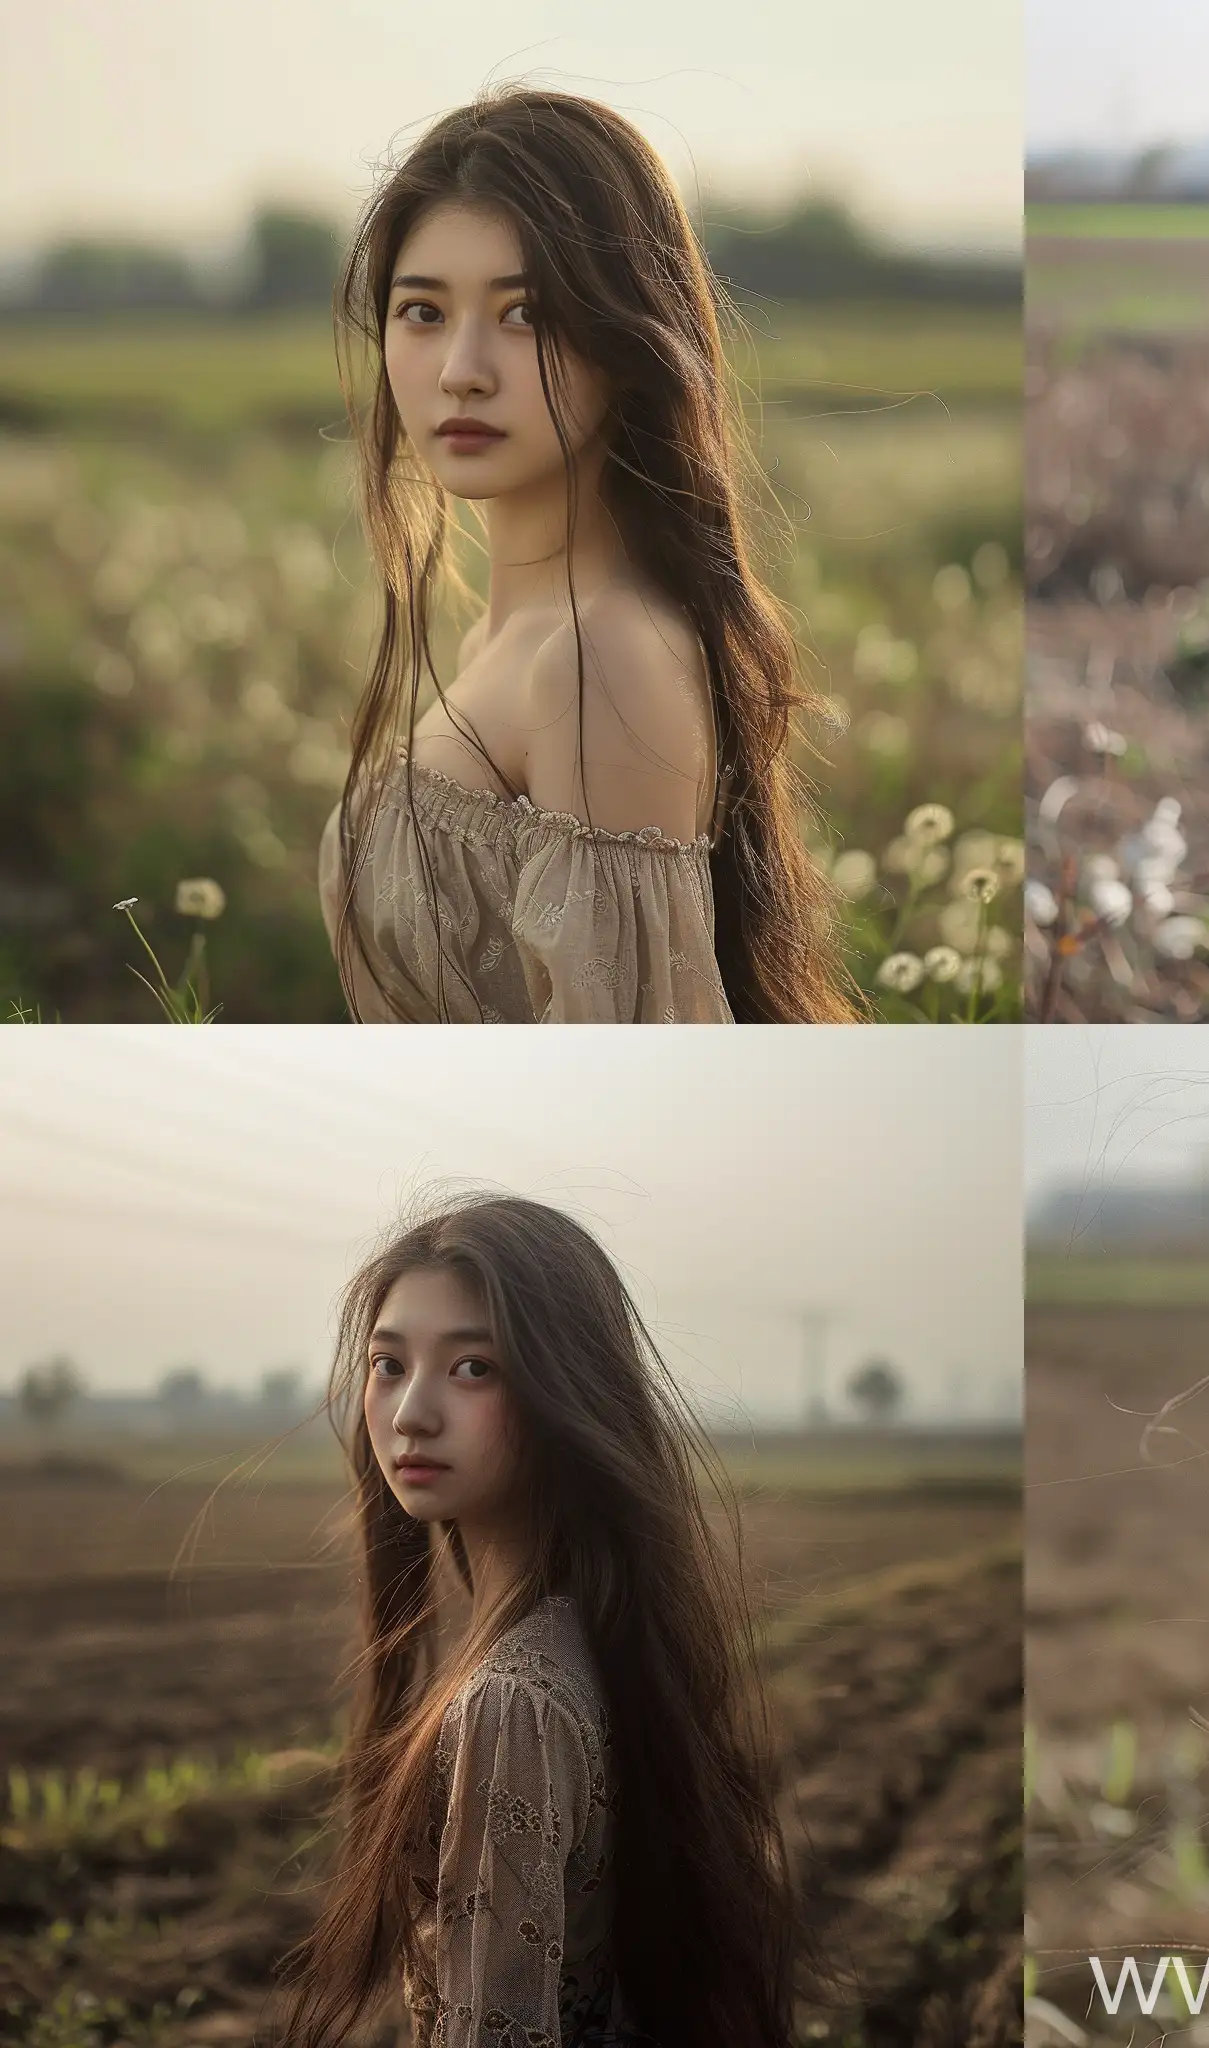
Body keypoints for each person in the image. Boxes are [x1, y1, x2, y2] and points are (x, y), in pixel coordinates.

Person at [318, 86, 861, 1023]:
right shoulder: (508, 639)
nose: (462, 369)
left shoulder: (596, 656)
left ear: (628, 338)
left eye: (525, 313)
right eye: (422, 312)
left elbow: (646, 1048)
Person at [277, 1194, 798, 2047]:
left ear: (566, 1390)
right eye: (388, 1364)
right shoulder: (595, 1640)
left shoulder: (512, 1701)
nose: (411, 1412)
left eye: (473, 1367)